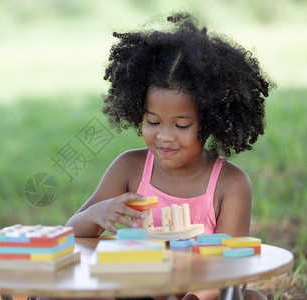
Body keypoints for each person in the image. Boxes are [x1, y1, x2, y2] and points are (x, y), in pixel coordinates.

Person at [66, 12, 274, 300]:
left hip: (199, 295)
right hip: (136, 292)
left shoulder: (231, 184)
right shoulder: (129, 168)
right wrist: (96, 214)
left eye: (181, 125)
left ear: (211, 120)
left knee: (252, 298)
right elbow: (69, 236)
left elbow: (231, 266)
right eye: (152, 122)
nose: (164, 136)